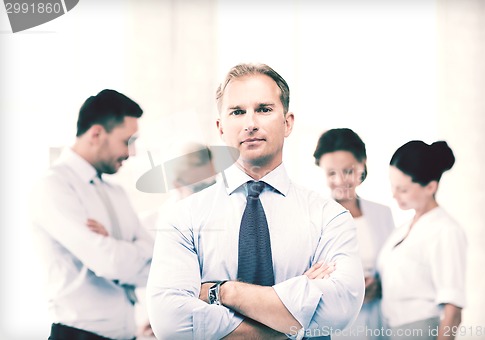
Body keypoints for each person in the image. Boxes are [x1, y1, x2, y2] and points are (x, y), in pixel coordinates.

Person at [147, 63, 365, 339]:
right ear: (220, 127)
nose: (250, 123)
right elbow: (171, 323)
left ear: (287, 123)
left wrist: (223, 291)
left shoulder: (329, 218)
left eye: (264, 109)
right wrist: (296, 311)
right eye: (237, 112)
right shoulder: (183, 218)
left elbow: (338, 311)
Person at [31, 89, 154, 340]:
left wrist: (118, 247)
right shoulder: (54, 186)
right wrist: (133, 251)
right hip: (77, 335)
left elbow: (155, 266)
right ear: (97, 133)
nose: (132, 153)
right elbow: (110, 263)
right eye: (127, 141)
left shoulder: (116, 192)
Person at [377, 141, 466, 340]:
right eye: (393, 186)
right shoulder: (403, 230)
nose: (394, 195)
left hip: (420, 331)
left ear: (430, 187)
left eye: (403, 190)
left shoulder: (446, 230)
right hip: (389, 329)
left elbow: (453, 311)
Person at [313, 128, 395, 339]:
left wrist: (379, 285)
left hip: (378, 319)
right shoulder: (314, 217)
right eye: (331, 173)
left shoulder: (382, 213)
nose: (340, 180)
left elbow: (393, 266)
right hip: (337, 326)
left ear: (363, 165)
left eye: (348, 171)